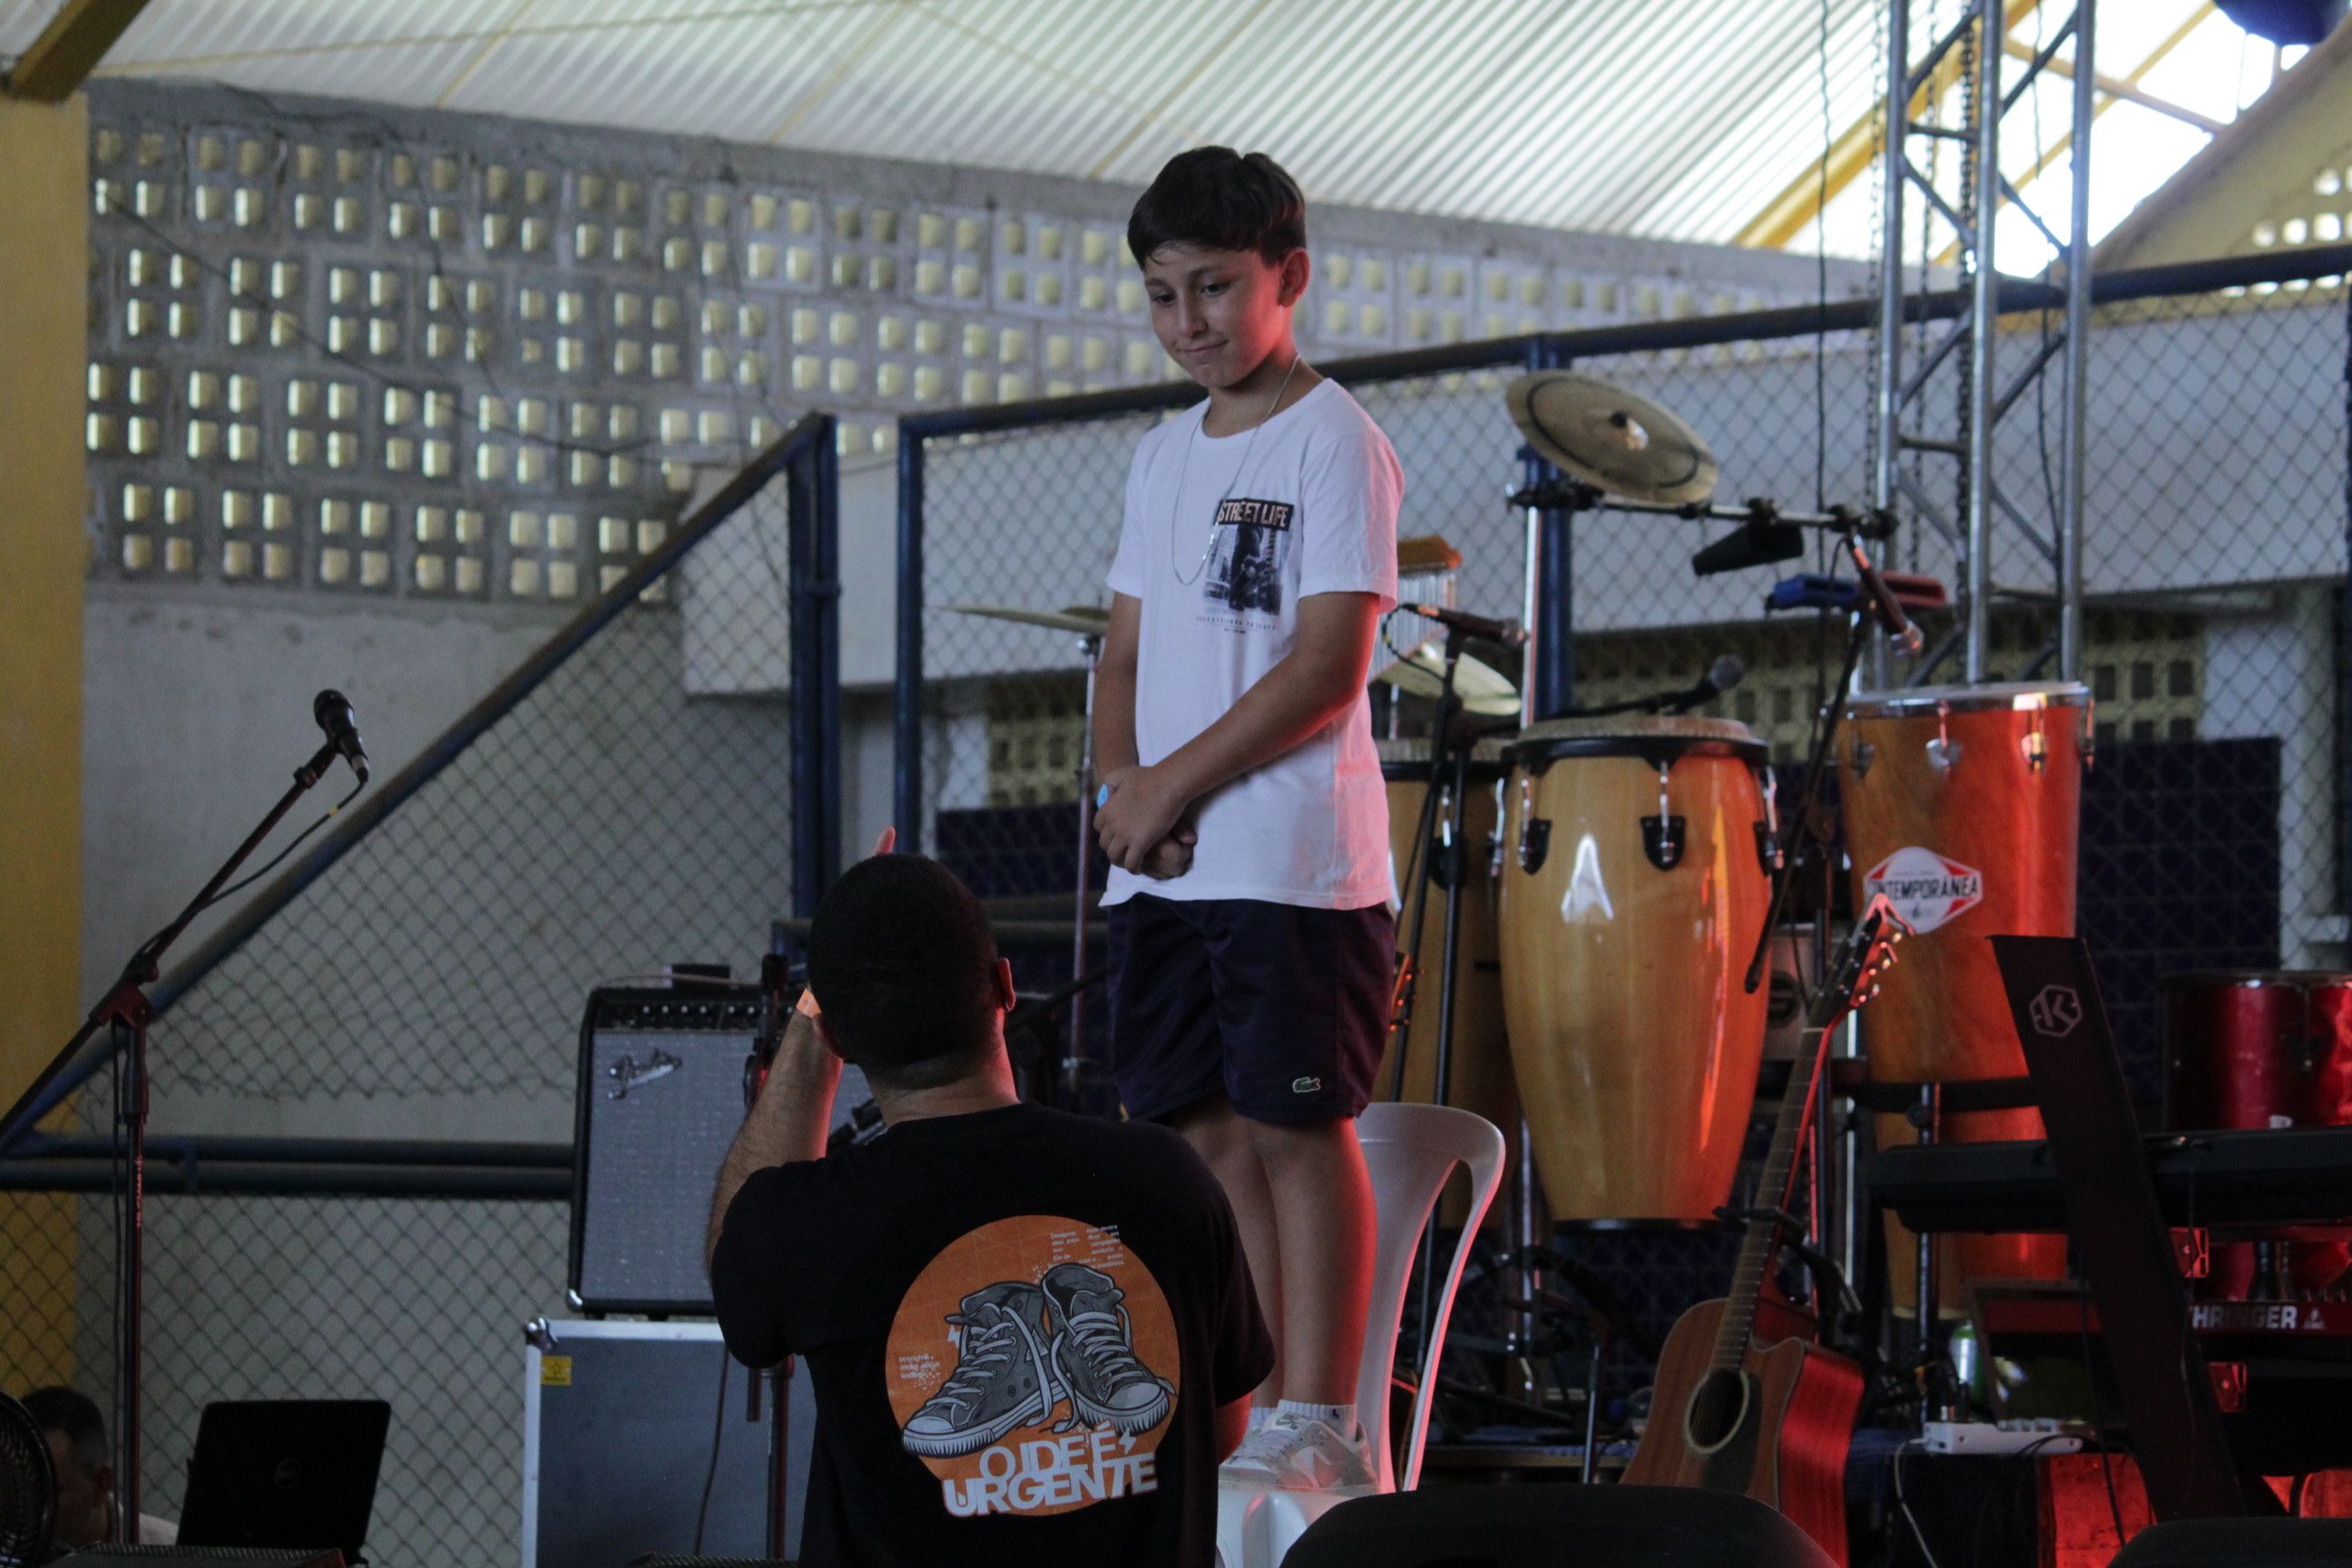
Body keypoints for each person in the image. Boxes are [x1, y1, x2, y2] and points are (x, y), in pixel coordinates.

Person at [1092, 146, 1404, 1493]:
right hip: (1163, 864)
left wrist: (1173, 786)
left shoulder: (1336, 439)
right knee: (1201, 1131)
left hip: (1290, 863)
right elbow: (1119, 654)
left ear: (1290, 277)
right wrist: (1124, 791)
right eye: (1163, 295)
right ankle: (1264, 1399)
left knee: (1294, 1127)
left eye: (1216, 287)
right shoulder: (1160, 454)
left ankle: (1323, 1410)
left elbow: (1327, 665)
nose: (1189, 321)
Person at [707, 848, 1273, 1568]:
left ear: (839, 1039)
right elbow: (1218, 1430)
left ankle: (1047, 1345)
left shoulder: (804, 1222)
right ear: (1006, 985)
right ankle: (1045, 1345)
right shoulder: (1167, 1177)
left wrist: (812, 1021)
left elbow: (738, 1276)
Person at [20, 1385, 178, 1548]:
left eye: (47, 1490)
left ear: (100, 1484)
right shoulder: (10, 1548)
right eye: (18, 1487)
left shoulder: (171, 1552)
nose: (27, 1506)